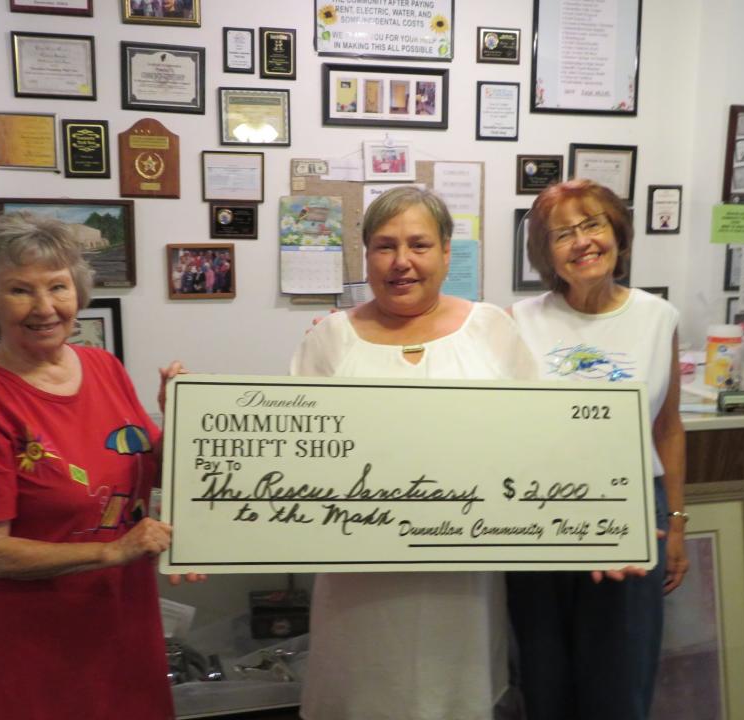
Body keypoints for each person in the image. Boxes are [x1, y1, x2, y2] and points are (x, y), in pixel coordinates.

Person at [291, 186, 535, 720]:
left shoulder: (492, 329)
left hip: (462, 584)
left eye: (419, 244)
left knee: (458, 701)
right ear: (365, 256)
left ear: (447, 252)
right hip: (359, 588)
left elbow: (537, 445)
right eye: (384, 246)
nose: (402, 262)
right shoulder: (330, 338)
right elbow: (292, 464)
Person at [0, 213, 183, 720]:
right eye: (20, 290)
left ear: (79, 292)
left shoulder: (102, 366)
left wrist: (185, 420)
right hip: (38, 640)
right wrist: (113, 552)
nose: (45, 307)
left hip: (124, 618)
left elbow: (149, 469)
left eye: (58, 287)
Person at [506, 179, 689, 720]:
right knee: (544, 680)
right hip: (541, 518)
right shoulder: (518, 321)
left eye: (593, 225)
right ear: (546, 253)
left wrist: (676, 524)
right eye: (562, 233)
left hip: (633, 515)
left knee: (620, 682)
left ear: (617, 233)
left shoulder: (659, 318)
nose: (582, 241)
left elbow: (669, 428)